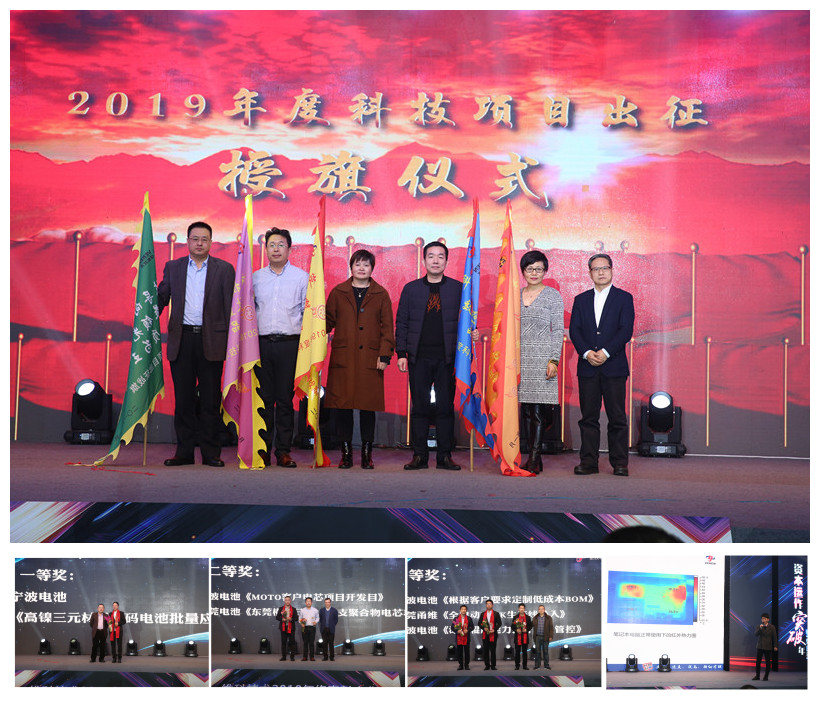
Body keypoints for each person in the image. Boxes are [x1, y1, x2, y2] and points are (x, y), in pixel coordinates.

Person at [158, 221, 235, 467]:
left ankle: (211, 453)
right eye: (195, 239)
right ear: (187, 241)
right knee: (184, 400)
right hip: (182, 340)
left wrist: (234, 341)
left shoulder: (224, 269)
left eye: (204, 239)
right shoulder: (173, 267)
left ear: (211, 242)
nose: (199, 243)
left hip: (212, 340)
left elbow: (231, 307)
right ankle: (184, 452)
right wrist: (146, 313)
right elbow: (161, 298)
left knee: (211, 401)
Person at [396, 241, 463, 471]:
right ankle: (419, 456)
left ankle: (444, 456)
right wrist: (402, 353)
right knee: (420, 408)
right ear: (424, 260)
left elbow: (467, 320)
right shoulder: (411, 289)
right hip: (419, 357)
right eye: (431, 256)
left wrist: (472, 332)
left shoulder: (458, 289)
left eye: (440, 256)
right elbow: (402, 322)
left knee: (445, 408)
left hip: (447, 359)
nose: (435, 260)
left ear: (446, 261)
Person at [325, 250, 394, 469]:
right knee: (343, 406)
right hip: (344, 357)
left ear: (372, 268)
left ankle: (366, 454)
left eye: (366, 265)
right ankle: (346, 454)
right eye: (357, 264)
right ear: (351, 267)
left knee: (367, 407)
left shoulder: (381, 294)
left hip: (370, 359)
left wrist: (385, 354)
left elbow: (387, 328)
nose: (361, 268)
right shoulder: (338, 292)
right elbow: (326, 321)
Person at [569, 253, 635, 477]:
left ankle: (620, 463)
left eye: (605, 268)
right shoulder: (581, 299)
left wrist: (605, 352)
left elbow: (625, 330)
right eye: (596, 269)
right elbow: (575, 330)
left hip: (614, 366)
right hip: (587, 367)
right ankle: (588, 462)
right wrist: (587, 353)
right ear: (590, 273)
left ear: (612, 270)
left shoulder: (624, 298)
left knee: (617, 417)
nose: (601, 272)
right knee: (588, 418)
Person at [253, 227, 308, 468]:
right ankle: (262, 449)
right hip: (261, 345)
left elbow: (307, 314)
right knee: (263, 400)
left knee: (285, 400)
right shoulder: (254, 278)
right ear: (265, 249)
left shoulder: (301, 277)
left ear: (289, 249)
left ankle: (283, 451)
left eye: (281, 245)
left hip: (289, 345)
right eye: (272, 245)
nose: (276, 249)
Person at [518, 250, 564, 473]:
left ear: (545, 271)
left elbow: (558, 330)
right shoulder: (516, 295)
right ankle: (533, 456)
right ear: (523, 271)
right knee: (526, 411)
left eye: (539, 269)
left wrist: (554, 360)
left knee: (537, 411)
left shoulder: (552, 296)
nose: (534, 273)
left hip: (543, 358)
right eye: (530, 269)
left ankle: (534, 460)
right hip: (520, 360)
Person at [752, 613, 777, 681]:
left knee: (768, 662)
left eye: (764, 619)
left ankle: (766, 676)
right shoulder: (759, 626)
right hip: (760, 646)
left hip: (768, 646)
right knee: (758, 662)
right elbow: (756, 634)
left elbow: (774, 637)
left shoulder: (772, 627)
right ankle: (757, 676)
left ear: (768, 619)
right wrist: (760, 628)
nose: (763, 620)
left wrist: (775, 646)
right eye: (762, 619)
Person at [477, 599, 500, 671]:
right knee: (486, 651)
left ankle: (493, 665)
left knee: (493, 651)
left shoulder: (496, 614)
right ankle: (487, 665)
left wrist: (494, 629)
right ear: (486, 605)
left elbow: (499, 623)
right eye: (487, 604)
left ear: (492, 605)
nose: (489, 605)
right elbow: (479, 623)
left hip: (493, 634)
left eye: (490, 604)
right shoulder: (483, 614)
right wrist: (484, 628)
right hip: (485, 635)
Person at [532, 604, 554, 670]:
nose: (541, 610)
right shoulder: (535, 618)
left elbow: (551, 628)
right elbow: (531, 626)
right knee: (537, 652)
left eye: (542, 609)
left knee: (545, 652)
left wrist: (551, 636)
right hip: (537, 637)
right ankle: (537, 665)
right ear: (538, 610)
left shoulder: (548, 618)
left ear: (544, 610)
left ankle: (546, 665)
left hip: (546, 637)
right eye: (540, 609)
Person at [511, 603, 532, 670]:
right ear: (518, 609)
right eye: (520, 608)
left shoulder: (528, 617)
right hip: (518, 637)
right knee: (517, 652)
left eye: (523, 608)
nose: (521, 609)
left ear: (524, 609)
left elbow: (530, 626)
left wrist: (526, 629)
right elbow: (512, 626)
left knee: (525, 652)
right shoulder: (515, 617)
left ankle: (524, 666)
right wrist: (516, 630)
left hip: (525, 637)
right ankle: (517, 665)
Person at [452, 603, 473, 671]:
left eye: (465, 609)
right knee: (459, 652)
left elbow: (472, 627)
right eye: (462, 609)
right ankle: (461, 665)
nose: (463, 610)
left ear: (466, 610)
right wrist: (457, 631)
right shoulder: (456, 618)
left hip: (466, 638)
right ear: (460, 610)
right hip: (459, 638)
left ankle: (466, 665)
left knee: (467, 652)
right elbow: (452, 627)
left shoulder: (469, 618)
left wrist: (468, 630)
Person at [276, 596, 298, 661]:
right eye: (286, 600)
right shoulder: (281, 609)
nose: (287, 601)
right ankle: (284, 657)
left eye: (288, 600)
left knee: (292, 642)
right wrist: (282, 619)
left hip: (291, 628)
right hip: (283, 628)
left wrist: (291, 619)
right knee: (283, 643)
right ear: (284, 601)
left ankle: (292, 657)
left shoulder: (293, 609)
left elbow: (296, 618)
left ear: (290, 601)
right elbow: (277, 617)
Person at [298, 596, 320, 662]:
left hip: (312, 628)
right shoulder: (302, 610)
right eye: (307, 601)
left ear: (311, 602)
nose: (308, 603)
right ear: (305, 602)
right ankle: (305, 657)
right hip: (304, 628)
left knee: (311, 643)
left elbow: (318, 618)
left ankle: (312, 657)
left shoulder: (315, 610)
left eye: (309, 601)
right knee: (305, 643)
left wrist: (315, 622)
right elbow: (299, 619)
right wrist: (301, 623)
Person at [318, 597, 339, 661]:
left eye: (328, 602)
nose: (327, 603)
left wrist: (332, 625)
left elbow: (336, 620)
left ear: (330, 603)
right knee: (324, 643)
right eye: (326, 602)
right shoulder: (321, 610)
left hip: (331, 629)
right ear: (324, 603)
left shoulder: (334, 610)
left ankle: (332, 657)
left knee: (331, 643)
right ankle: (325, 657)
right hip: (324, 629)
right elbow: (320, 619)